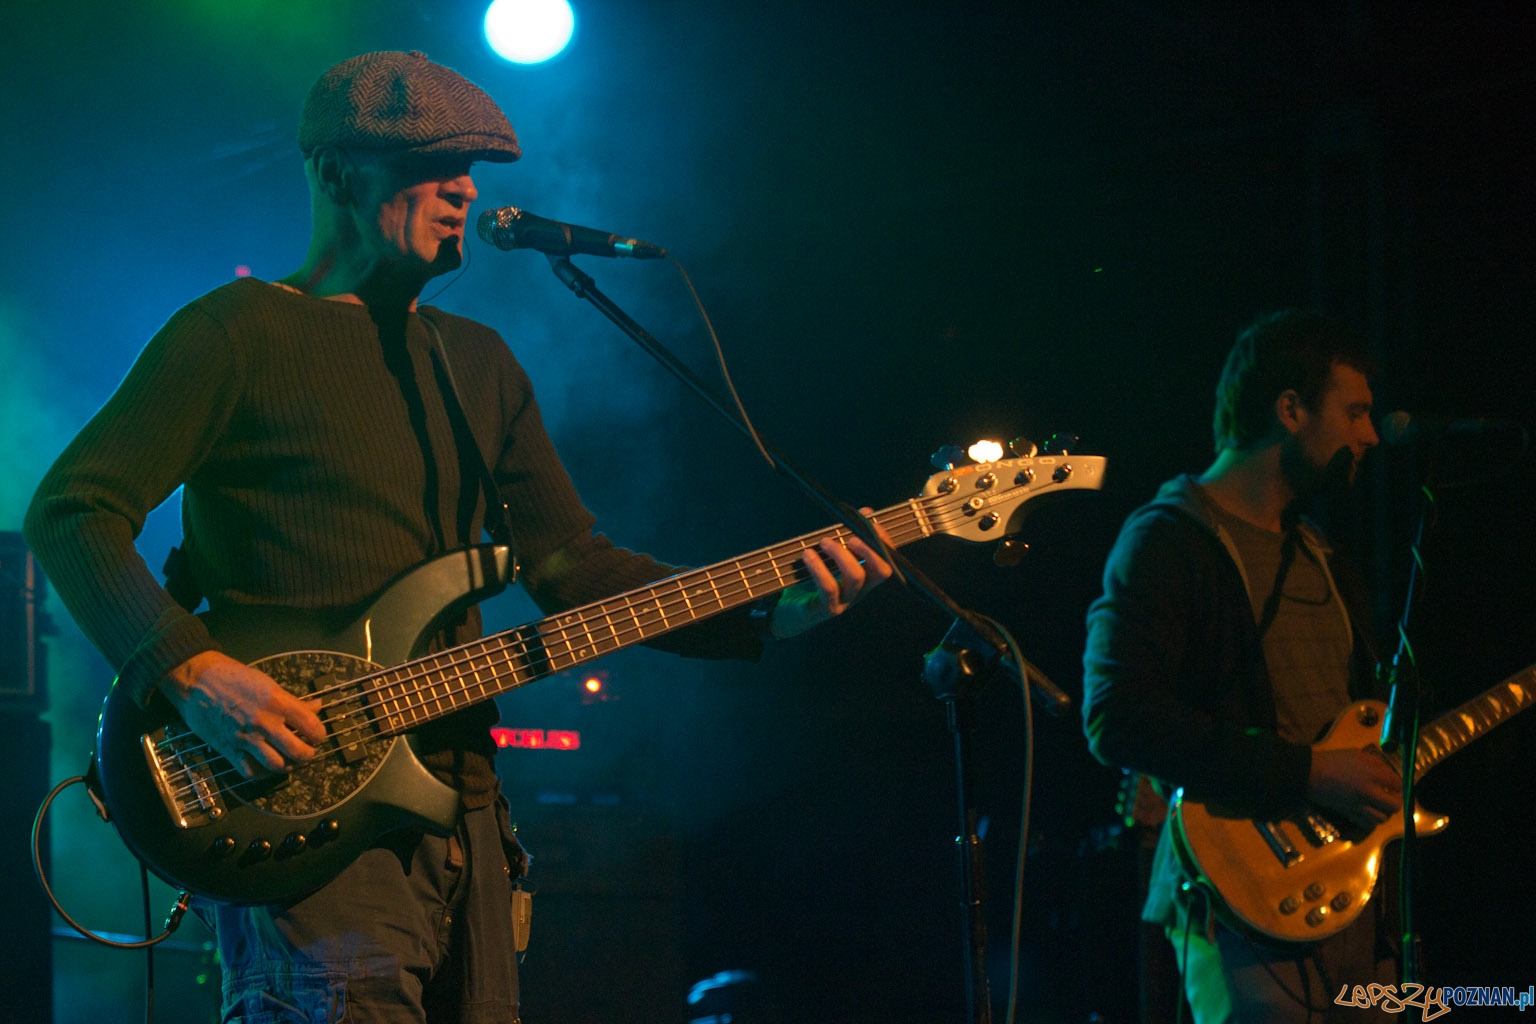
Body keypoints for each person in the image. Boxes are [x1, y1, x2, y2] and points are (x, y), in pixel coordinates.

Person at [24, 50, 891, 1023]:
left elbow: (576, 568)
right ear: (338, 174)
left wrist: (765, 614)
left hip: (465, 814)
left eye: (470, 169)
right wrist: (193, 672)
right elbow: (73, 510)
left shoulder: (477, 363)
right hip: (298, 812)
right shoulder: (234, 333)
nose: (466, 191)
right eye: (433, 166)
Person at [1081, 310, 1400, 1022]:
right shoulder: (1168, 541)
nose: (1371, 436)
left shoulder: (1321, 554)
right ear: (1290, 410)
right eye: (1354, 413)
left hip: (1353, 899)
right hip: (1238, 910)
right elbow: (1115, 717)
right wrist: (1308, 772)